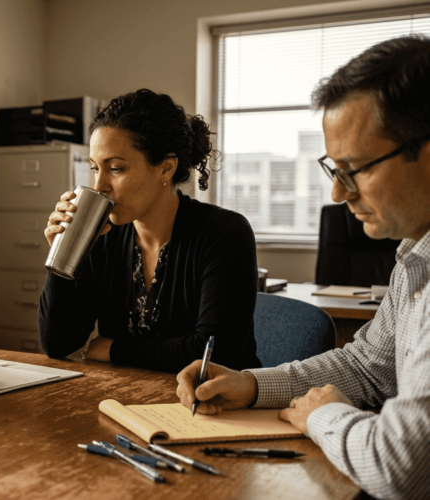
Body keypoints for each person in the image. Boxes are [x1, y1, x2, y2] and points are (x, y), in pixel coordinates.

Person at [175, 36, 430, 500]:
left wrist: (321, 413)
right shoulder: (415, 255)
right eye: (333, 169)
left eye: (355, 168)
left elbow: (403, 468)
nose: (338, 193)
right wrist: (251, 385)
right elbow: (369, 366)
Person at [38, 89, 261, 373]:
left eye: (116, 169)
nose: (99, 186)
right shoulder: (102, 237)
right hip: (125, 401)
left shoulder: (225, 233)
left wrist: (116, 349)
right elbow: (57, 344)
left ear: (166, 169)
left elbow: (214, 354)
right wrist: (61, 255)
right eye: (95, 168)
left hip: (213, 406)